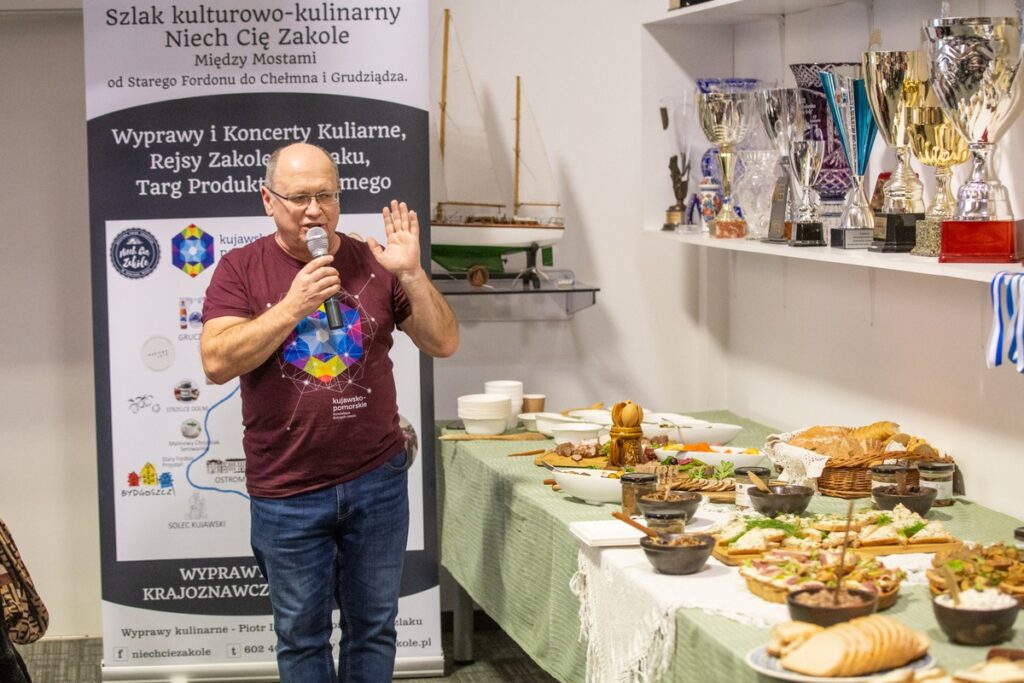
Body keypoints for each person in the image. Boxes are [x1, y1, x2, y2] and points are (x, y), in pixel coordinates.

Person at [200, 142, 458, 682]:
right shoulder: (240, 269)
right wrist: (293, 306)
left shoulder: (375, 261)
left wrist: (411, 273)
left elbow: (444, 341)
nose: (314, 209)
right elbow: (217, 362)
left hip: (377, 481)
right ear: (268, 201)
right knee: (301, 637)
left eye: (326, 195)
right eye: (298, 197)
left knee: (375, 627)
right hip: (288, 490)